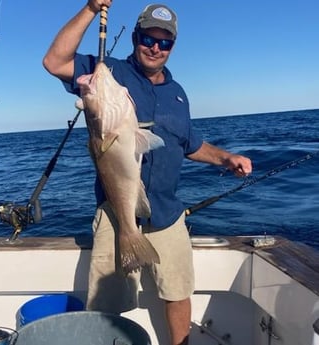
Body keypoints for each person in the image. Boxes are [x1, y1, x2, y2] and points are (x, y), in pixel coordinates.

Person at [43, 1, 252, 344]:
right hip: (117, 215)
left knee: (177, 291)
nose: (155, 47)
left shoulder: (178, 94)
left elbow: (190, 144)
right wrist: (91, 8)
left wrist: (225, 157)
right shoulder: (109, 71)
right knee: (107, 303)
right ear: (135, 38)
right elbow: (55, 61)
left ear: (172, 46)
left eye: (164, 42)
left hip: (168, 214)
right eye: (148, 39)